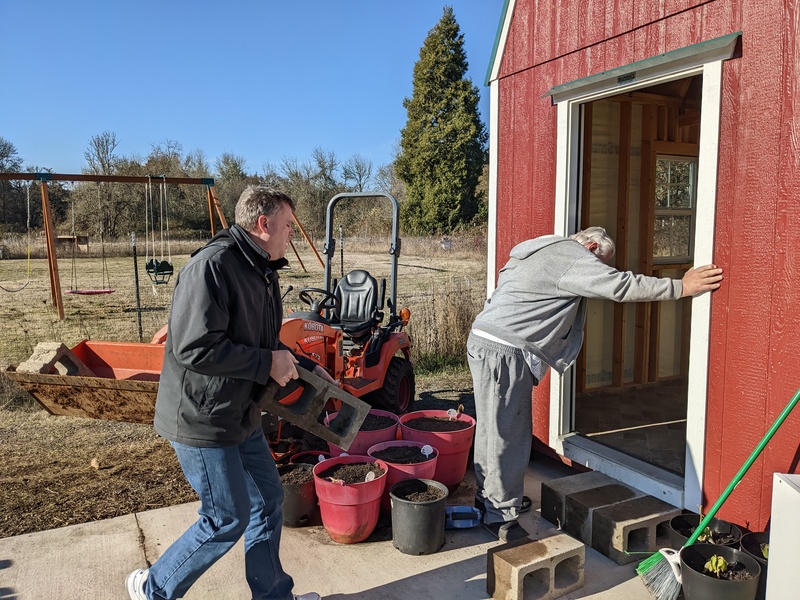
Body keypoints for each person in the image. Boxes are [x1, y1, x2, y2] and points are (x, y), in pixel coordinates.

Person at [127, 186, 327, 600]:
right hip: (203, 416)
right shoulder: (212, 267)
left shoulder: (263, 272)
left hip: (240, 410)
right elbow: (193, 347)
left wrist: (308, 368)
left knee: (268, 499)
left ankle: (273, 595)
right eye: (288, 225)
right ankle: (154, 588)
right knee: (224, 519)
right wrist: (266, 364)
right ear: (263, 224)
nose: (291, 234)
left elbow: (266, 343)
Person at [467, 226, 724, 542]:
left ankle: (490, 497)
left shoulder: (538, 250)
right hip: (504, 352)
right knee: (508, 434)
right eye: (601, 262)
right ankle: (500, 518)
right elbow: (620, 286)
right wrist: (680, 287)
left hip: (486, 342)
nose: (598, 272)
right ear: (589, 246)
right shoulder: (573, 256)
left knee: (493, 430)